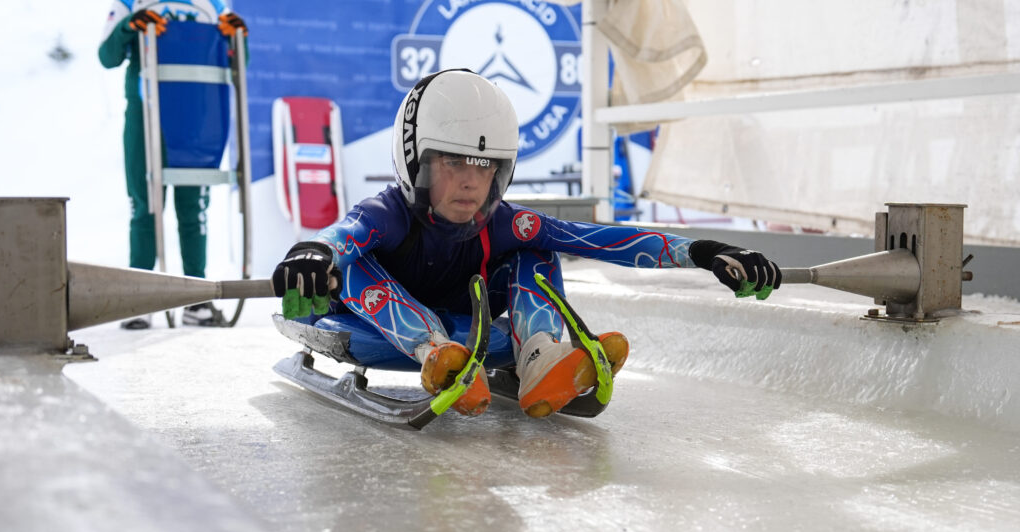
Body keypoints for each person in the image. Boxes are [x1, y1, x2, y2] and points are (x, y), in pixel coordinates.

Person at [271, 69, 782, 418]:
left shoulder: (502, 223)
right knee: (355, 261)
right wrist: (311, 255)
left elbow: (603, 239)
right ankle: (437, 354)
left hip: (471, 340)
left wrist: (705, 252)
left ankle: (538, 358)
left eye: (485, 166)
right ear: (415, 161)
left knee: (536, 249)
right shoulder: (388, 214)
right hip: (369, 329)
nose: (472, 183)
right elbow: (340, 238)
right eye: (453, 163)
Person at [99, 0, 248, 329]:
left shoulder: (211, 6)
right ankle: (137, 300)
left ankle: (196, 301)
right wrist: (129, 26)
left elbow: (239, 64)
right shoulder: (132, 2)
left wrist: (238, 37)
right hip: (145, 113)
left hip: (195, 116)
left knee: (193, 209)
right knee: (145, 206)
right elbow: (107, 57)